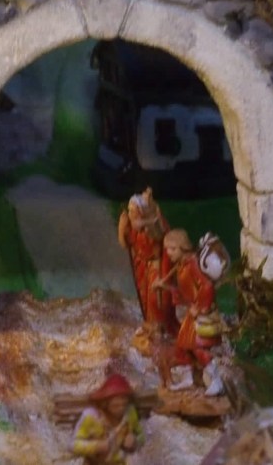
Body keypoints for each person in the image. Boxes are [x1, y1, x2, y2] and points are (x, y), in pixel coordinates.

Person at [156, 229, 224, 395]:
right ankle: (189, 379)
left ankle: (216, 380)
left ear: (183, 247)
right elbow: (183, 292)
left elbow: (207, 286)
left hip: (202, 314)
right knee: (183, 346)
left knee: (198, 347)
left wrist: (200, 308)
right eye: (167, 249)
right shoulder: (181, 265)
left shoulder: (193, 264)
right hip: (192, 313)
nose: (169, 253)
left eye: (172, 249)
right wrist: (166, 286)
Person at [117, 187, 177, 336]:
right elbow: (125, 244)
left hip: (157, 268)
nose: (130, 214)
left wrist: (147, 221)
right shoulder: (132, 227)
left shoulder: (153, 225)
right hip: (142, 267)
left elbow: (160, 235)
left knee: (156, 300)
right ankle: (151, 325)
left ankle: (160, 328)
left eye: (133, 211)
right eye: (129, 211)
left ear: (140, 212)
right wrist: (121, 228)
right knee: (145, 299)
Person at [72, 373, 143, 465]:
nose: (121, 408)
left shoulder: (129, 413)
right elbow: (73, 445)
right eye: (116, 405)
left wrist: (135, 441)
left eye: (124, 403)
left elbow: (141, 435)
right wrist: (97, 446)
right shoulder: (91, 416)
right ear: (106, 402)